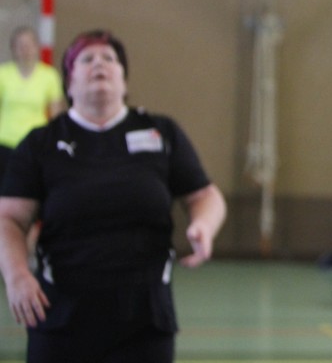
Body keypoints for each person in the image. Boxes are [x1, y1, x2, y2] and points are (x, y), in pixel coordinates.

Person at [0, 29, 226, 363]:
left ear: (124, 80)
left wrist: (203, 225)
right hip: (62, 315)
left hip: (144, 319)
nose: (99, 64)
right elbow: (9, 218)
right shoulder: (41, 143)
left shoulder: (160, 132)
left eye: (109, 58)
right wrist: (17, 274)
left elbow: (205, 195)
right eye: (86, 59)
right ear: (69, 82)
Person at [0, 26, 66, 184]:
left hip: (35, 142)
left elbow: (56, 114)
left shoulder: (49, 76)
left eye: (29, 45)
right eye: (20, 46)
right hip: (5, 141)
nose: (25, 50)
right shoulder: (3, 74)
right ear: (13, 49)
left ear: (37, 47)